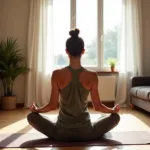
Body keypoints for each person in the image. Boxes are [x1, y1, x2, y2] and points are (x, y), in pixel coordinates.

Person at [27, 28, 120, 141]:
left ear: (66, 51)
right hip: (86, 133)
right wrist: (113, 110)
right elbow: (98, 107)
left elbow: (52, 105)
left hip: (60, 133)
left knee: (31, 117)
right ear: (83, 51)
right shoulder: (92, 75)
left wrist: (36, 110)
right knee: (115, 118)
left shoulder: (57, 74)